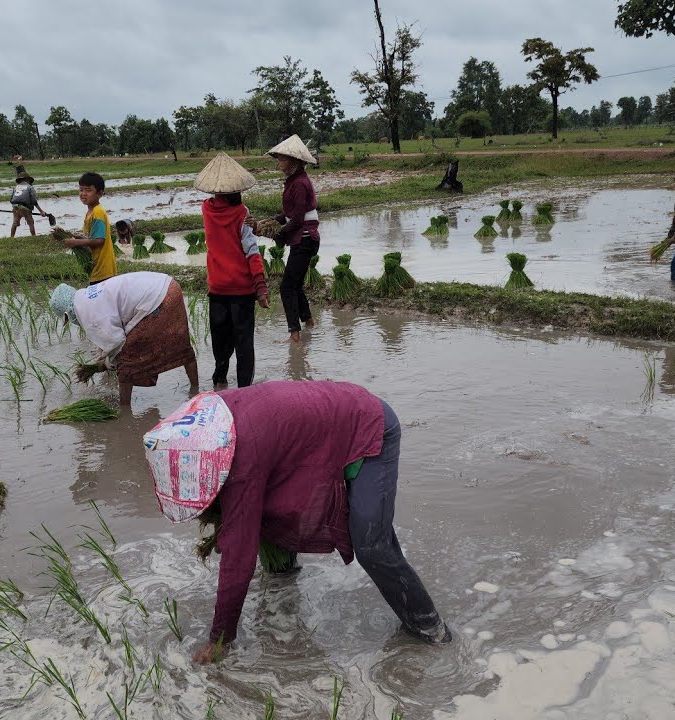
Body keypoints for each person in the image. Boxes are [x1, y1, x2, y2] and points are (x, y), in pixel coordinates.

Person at [143, 382, 451, 664]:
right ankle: (282, 582)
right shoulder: (209, 418)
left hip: (369, 427)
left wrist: (220, 640)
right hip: (322, 422)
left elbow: (239, 556)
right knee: (264, 511)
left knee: (371, 544)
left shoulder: (240, 457)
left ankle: (429, 629)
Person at [49, 271, 198, 405]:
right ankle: (195, 390)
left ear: (68, 313)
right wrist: (103, 353)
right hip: (169, 286)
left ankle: (125, 410)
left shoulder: (87, 314)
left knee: (126, 359)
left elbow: (118, 343)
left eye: (67, 320)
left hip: (159, 299)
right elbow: (113, 321)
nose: (71, 323)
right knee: (180, 342)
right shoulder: (87, 297)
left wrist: (106, 363)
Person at [195, 152, 271, 389]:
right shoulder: (242, 214)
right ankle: (245, 389)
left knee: (220, 338)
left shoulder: (206, 210)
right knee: (243, 341)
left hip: (217, 287)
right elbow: (251, 251)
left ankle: (219, 382)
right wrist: (261, 287)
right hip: (241, 289)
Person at [261, 135, 320, 343]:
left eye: (282, 159)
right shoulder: (294, 181)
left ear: (294, 161)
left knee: (287, 287)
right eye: (278, 159)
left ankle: (294, 334)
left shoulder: (300, 184)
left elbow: (296, 219)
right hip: (303, 238)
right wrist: (273, 221)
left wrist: (277, 232)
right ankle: (309, 321)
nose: (278, 163)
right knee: (294, 284)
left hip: (305, 239)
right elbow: (291, 213)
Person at [59, 172, 117, 284]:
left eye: (88, 190)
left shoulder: (98, 212)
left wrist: (75, 243)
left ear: (99, 193)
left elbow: (99, 240)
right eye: (81, 190)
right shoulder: (90, 212)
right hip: (97, 266)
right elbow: (91, 237)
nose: (83, 194)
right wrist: (76, 237)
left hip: (103, 269)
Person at [8, 168, 47, 238]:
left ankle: (11, 237)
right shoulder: (30, 187)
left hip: (15, 207)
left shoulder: (16, 187)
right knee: (31, 223)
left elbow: (11, 199)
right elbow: (34, 201)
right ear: (27, 179)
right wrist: (41, 211)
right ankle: (34, 237)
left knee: (15, 223)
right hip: (25, 208)